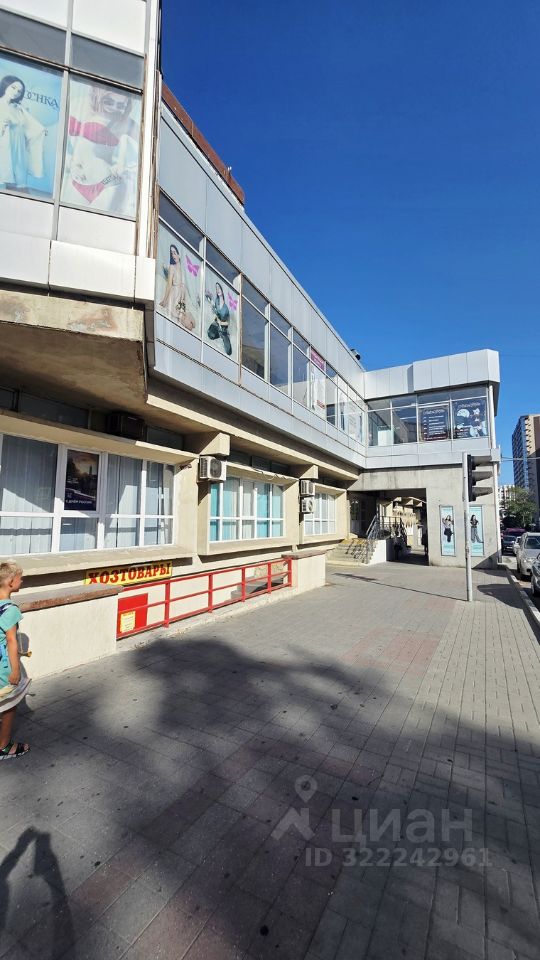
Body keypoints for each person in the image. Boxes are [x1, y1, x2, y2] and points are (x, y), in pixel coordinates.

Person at [62, 84, 140, 216]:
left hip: (107, 182)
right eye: (109, 102)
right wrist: (73, 166)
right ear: (99, 97)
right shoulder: (81, 108)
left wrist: (122, 165)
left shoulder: (128, 124)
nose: (114, 108)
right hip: (78, 181)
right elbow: (70, 146)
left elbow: (145, 153)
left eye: (121, 105)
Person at [0, 561, 30, 761]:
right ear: (11, 582)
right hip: (3, 664)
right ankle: (4, 746)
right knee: (9, 703)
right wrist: (15, 670)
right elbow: (11, 640)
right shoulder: (10, 609)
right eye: (20, 578)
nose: (22, 580)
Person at [0, 75, 46, 190]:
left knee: (18, 184)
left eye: (19, 91)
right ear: (5, 85)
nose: (16, 92)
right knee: (5, 176)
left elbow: (29, 125)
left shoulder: (18, 108)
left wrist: (40, 130)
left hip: (18, 148)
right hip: (4, 147)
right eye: (13, 87)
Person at [159, 244, 194, 330]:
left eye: (175, 253)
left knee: (192, 323)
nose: (173, 255)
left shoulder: (182, 269)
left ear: (179, 254)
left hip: (181, 296)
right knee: (187, 323)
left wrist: (184, 299)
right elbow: (169, 284)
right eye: (171, 253)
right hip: (175, 295)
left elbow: (184, 286)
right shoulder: (172, 267)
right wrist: (164, 300)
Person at [207, 281, 232, 355]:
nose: (218, 290)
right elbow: (215, 311)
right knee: (210, 334)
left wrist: (221, 323)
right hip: (216, 324)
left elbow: (228, 322)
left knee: (228, 351)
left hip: (223, 328)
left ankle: (223, 336)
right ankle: (219, 334)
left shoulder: (226, 307)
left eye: (219, 288)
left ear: (222, 290)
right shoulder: (216, 301)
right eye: (216, 289)